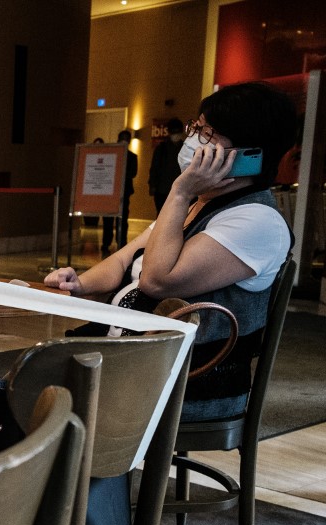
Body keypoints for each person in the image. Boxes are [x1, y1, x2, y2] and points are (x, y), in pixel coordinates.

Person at [45, 81, 298, 421]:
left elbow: (157, 281)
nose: (194, 140)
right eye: (197, 127)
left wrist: (179, 192)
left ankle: (82, 473)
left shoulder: (256, 220)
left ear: (248, 157)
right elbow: (126, 259)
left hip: (190, 379)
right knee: (28, 383)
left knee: (44, 398)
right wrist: (79, 284)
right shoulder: (198, 205)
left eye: (208, 134)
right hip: (141, 362)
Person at [101, 129, 138, 254]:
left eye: (127, 139)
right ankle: (106, 243)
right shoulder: (110, 155)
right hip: (109, 192)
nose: (124, 141)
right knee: (108, 220)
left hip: (124, 193)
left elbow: (133, 173)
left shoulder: (132, 157)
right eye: (122, 138)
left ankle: (122, 243)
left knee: (123, 219)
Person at [148, 117, 185, 214]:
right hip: (162, 190)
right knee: (161, 215)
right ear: (169, 132)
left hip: (181, 190)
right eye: (174, 132)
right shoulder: (161, 148)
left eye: (178, 132)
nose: (176, 134)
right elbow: (154, 168)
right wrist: (152, 185)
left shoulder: (186, 148)